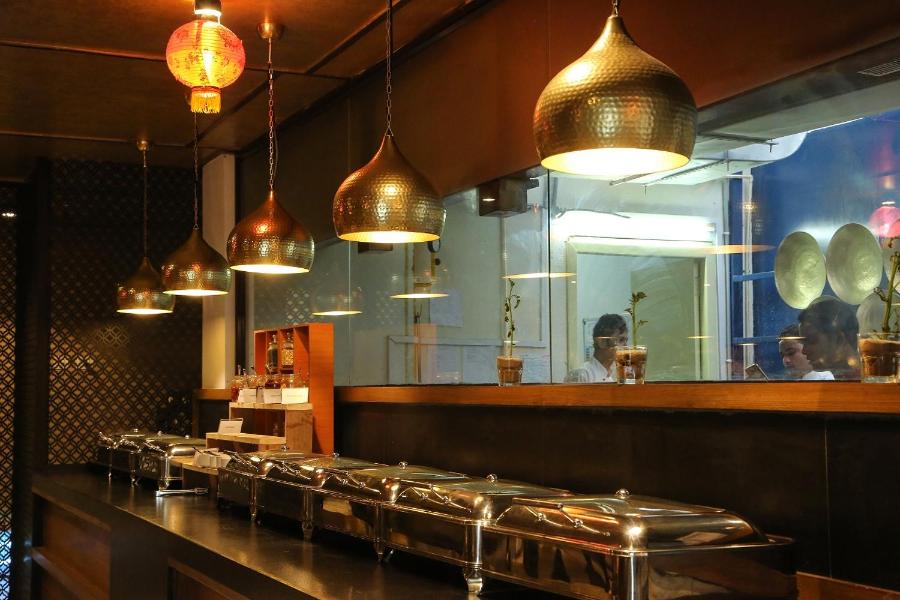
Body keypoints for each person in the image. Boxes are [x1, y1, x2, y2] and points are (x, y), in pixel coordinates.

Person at [798, 296, 860, 380]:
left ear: (840, 340)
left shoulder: (868, 381)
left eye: (811, 340)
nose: (804, 351)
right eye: (803, 343)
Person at [566, 314, 628, 383]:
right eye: (621, 340)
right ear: (601, 342)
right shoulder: (582, 375)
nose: (626, 346)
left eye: (626, 341)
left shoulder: (616, 374)